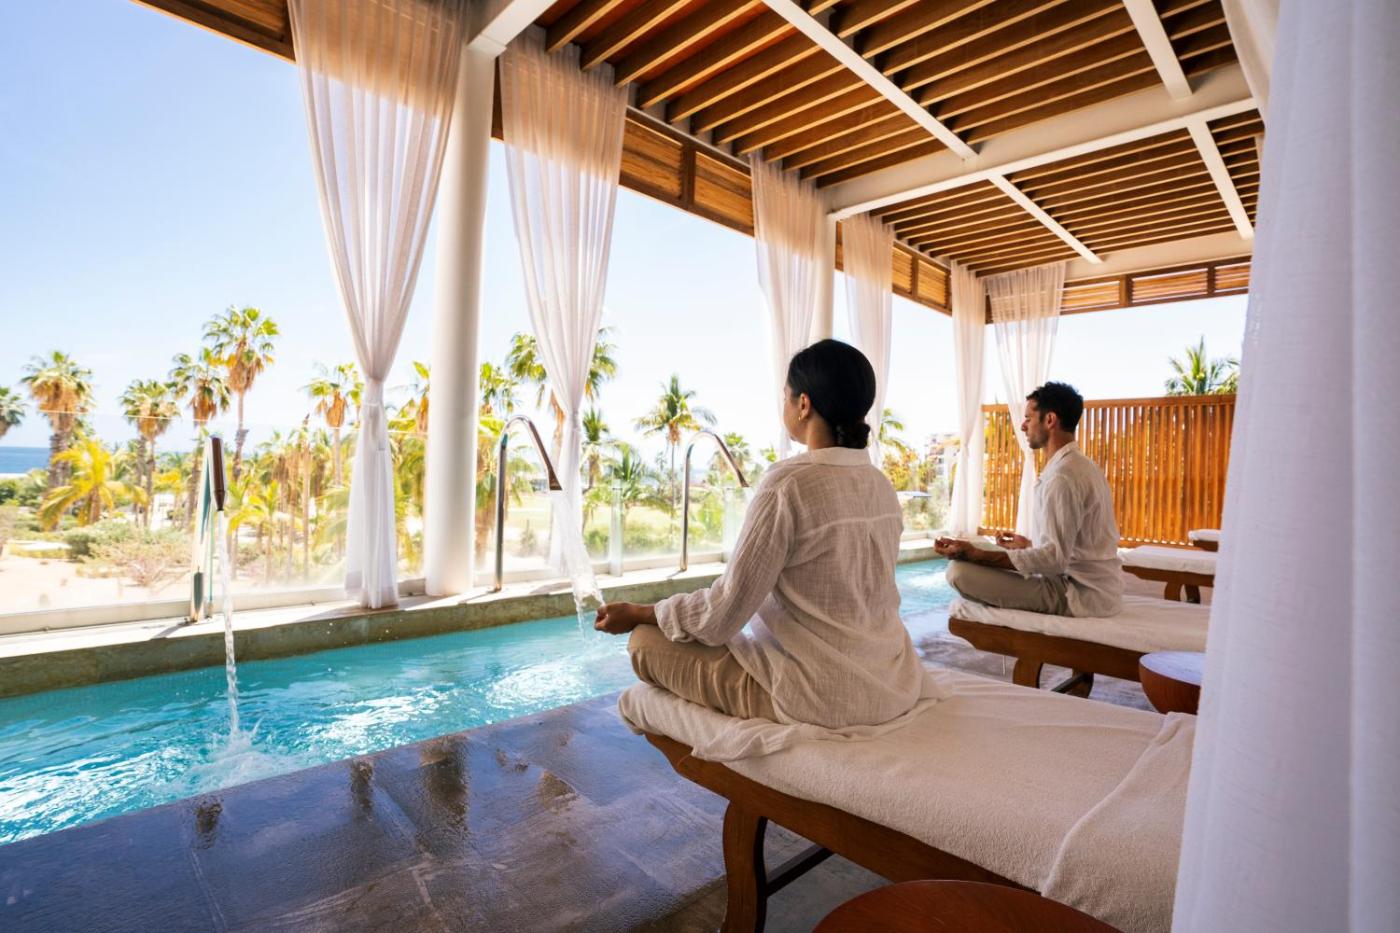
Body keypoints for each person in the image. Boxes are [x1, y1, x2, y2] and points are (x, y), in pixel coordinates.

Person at [594, 339, 923, 728]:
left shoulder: (788, 485)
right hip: (892, 683)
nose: (785, 404)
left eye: (786, 396)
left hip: (820, 696)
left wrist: (640, 613)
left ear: (803, 404)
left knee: (643, 643)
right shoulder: (881, 485)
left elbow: (722, 616)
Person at [934, 381, 1122, 617]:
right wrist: (1028, 546)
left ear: (1050, 420)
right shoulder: (1081, 465)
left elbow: (1054, 560)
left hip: (1076, 594)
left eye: (1028, 418)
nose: (1023, 426)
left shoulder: (1062, 476)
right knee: (976, 552)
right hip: (1097, 589)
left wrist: (977, 555)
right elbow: (1075, 546)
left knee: (958, 573)